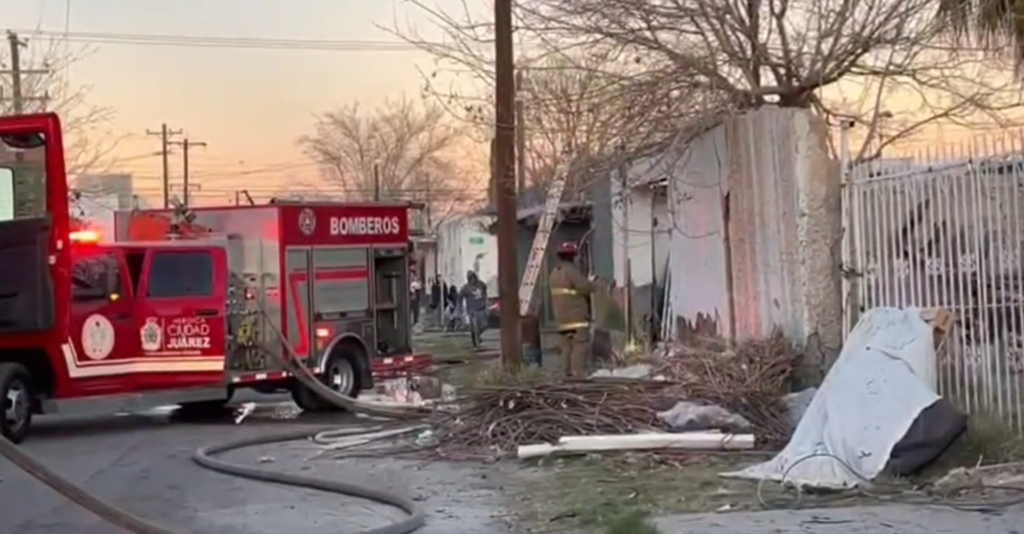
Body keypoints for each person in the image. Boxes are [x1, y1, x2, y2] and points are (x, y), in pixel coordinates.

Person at [548, 241, 594, 378]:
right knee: (580, 346)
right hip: (576, 317)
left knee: (566, 347)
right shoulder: (571, 271)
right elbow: (585, 287)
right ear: (573, 256)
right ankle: (578, 375)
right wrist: (595, 283)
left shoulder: (554, 273)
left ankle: (566, 374)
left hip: (562, 319)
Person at [459, 270, 488, 349]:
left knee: (484, 325)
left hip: (481, 308)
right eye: (470, 278)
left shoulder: (481, 284)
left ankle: (477, 335)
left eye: (473, 277)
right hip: (472, 310)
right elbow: (460, 296)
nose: (472, 280)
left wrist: (485, 301)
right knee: (475, 327)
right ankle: (476, 344)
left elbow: (485, 291)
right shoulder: (466, 288)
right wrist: (461, 309)